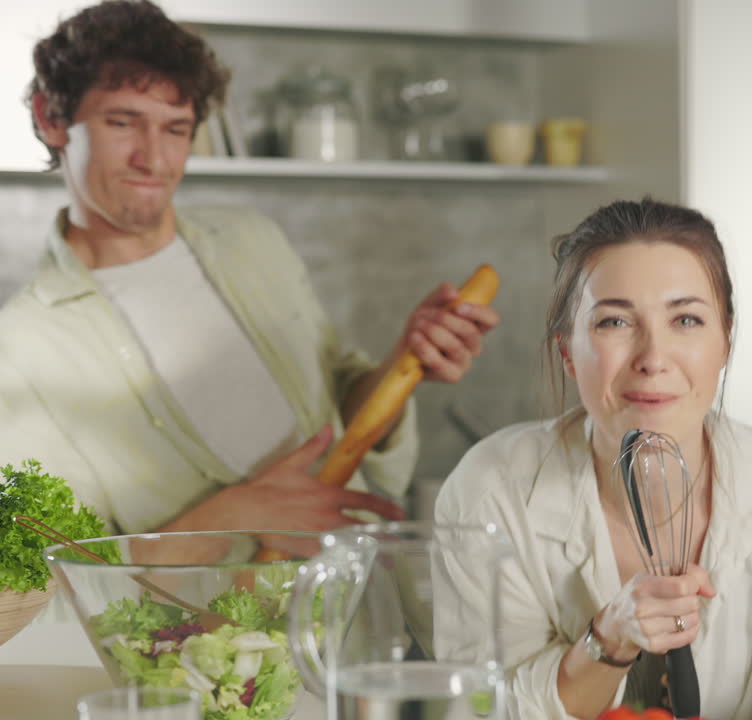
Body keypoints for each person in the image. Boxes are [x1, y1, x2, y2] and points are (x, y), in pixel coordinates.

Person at [0, 0, 499, 535]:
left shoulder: (251, 241)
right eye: (123, 122)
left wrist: (407, 355)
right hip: (199, 621)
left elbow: (340, 412)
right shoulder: (21, 348)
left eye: (175, 129)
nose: (155, 158)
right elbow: (61, 573)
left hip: (356, 600)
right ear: (51, 119)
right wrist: (234, 517)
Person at [434, 198, 752, 719]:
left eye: (686, 319)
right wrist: (610, 639)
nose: (653, 359)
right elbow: (480, 712)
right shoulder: (492, 493)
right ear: (567, 350)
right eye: (615, 322)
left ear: (725, 340)